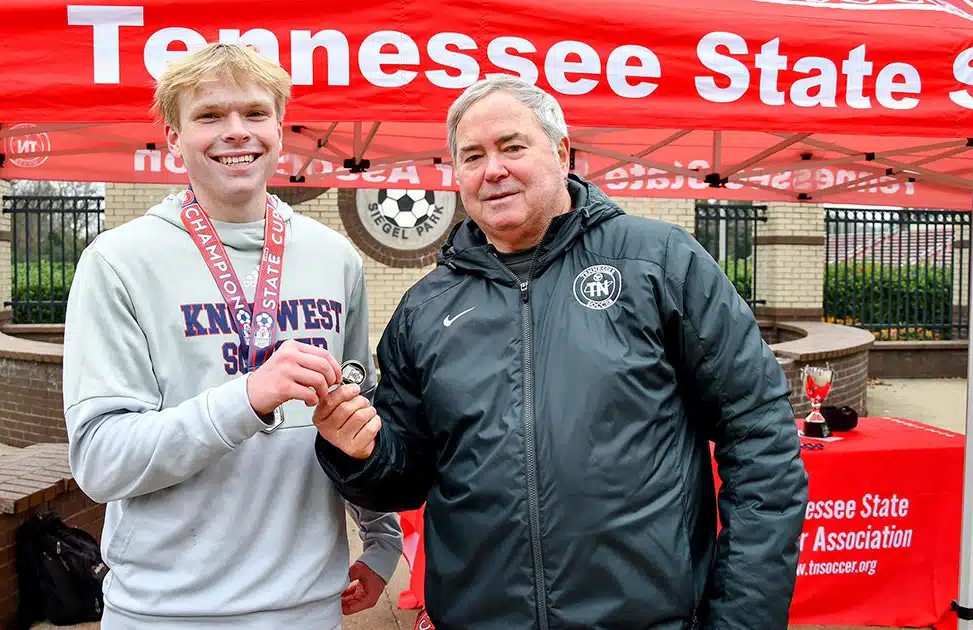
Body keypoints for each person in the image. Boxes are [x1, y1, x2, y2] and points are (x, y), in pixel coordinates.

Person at [312, 75, 809, 629]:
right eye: (472, 155)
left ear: (562, 152)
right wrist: (356, 452)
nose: (492, 169)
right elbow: (403, 478)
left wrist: (743, 619)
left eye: (512, 146)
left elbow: (760, 436)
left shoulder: (659, 264)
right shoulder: (425, 309)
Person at [62, 42, 402, 629]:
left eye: (255, 113)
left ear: (280, 128)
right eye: (209, 115)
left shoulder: (335, 258)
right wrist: (244, 399)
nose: (236, 132)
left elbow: (356, 411)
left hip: (309, 608)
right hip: (167, 611)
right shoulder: (118, 262)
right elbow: (99, 462)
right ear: (174, 138)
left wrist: (380, 538)